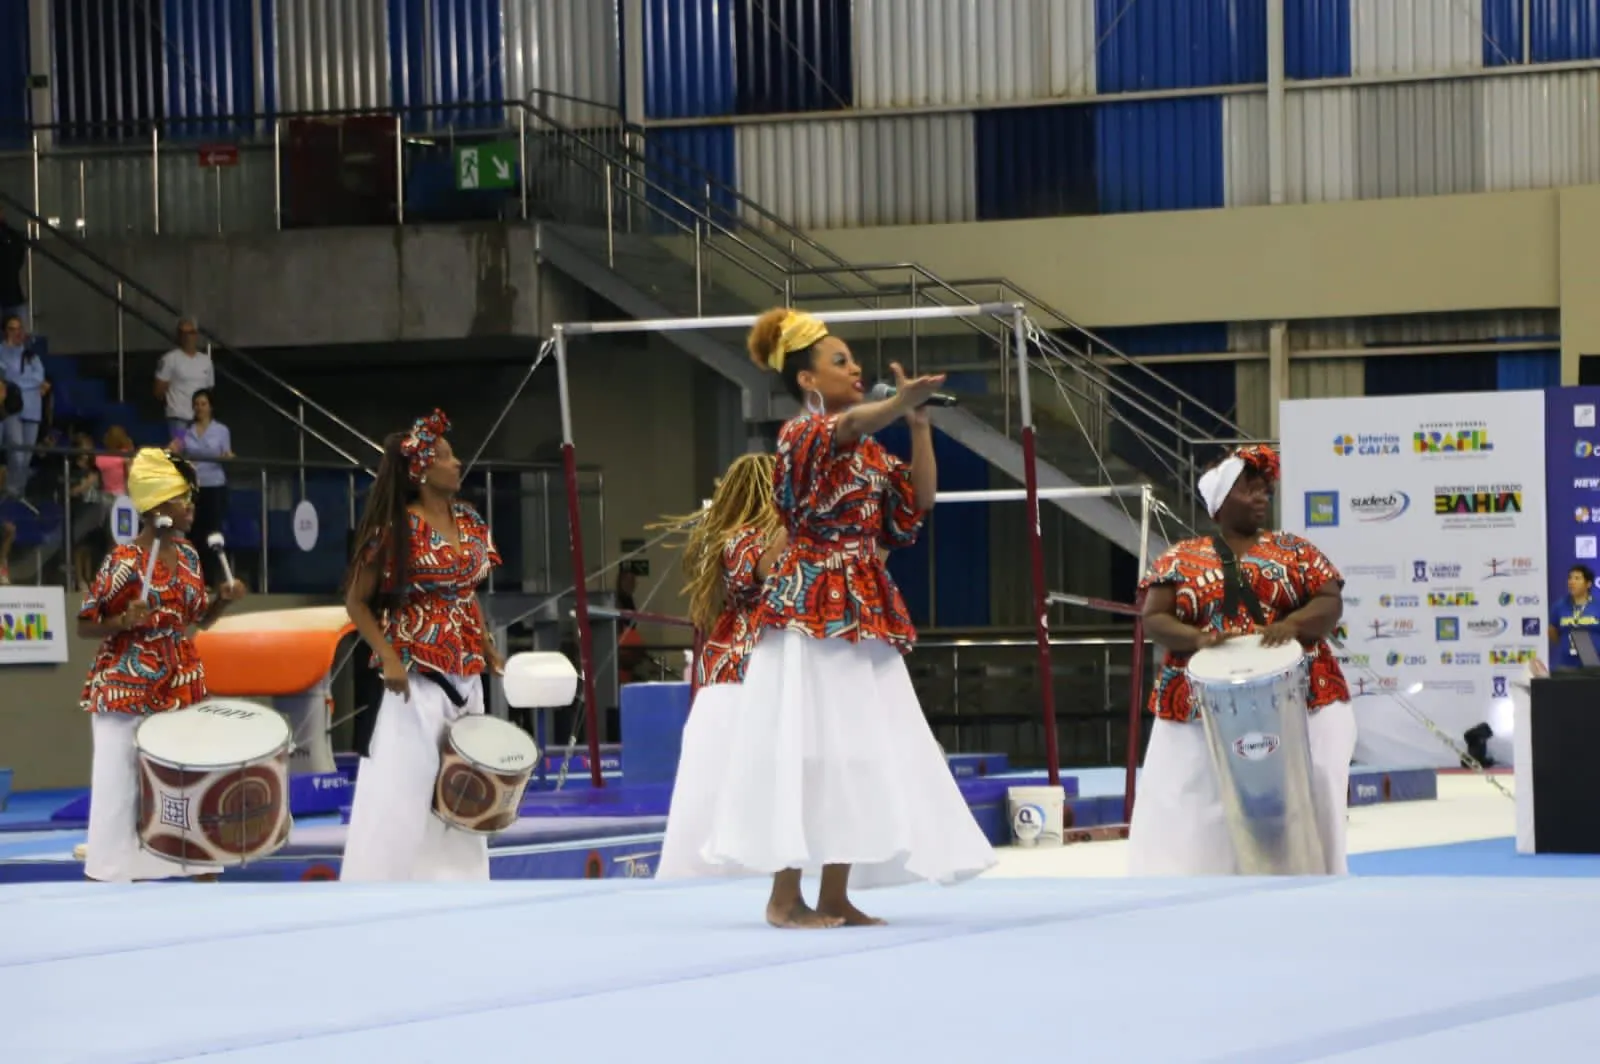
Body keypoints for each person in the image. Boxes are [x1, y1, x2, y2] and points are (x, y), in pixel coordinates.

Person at [689, 308, 995, 927]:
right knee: (804, 747)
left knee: (855, 750)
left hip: (863, 606)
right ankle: (783, 897)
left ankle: (835, 893)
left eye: (854, 361)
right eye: (840, 362)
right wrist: (889, 407)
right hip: (808, 607)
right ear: (807, 381)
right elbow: (849, 424)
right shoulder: (799, 438)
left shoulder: (873, 457)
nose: (856, 369)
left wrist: (918, 427)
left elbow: (917, 505)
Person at [1130, 443, 1355, 876]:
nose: (1260, 498)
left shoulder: (1294, 550)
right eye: (1249, 490)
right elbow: (1154, 617)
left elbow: (1329, 601)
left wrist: (1292, 625)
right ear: (1219, 502)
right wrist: (1197, 637)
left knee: (1316, 786)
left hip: (1304, 693)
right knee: (1187, 797)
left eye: (1264, 491)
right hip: (1200, 701)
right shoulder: (1181, 558)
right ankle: (1184, 879)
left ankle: (1317, 874)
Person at [655, 453, 847, 923]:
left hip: (753, 681)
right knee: (720, 793)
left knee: (740, 791)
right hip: (739, 682)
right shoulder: (739, 542)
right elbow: (769, 566)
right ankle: (703, 882)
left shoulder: (768, 542)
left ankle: (758, 879)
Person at [339, 409, 504, 882]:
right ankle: (381, 883)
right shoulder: (396, 528)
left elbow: (464, 590)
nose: (458, 463)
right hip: (415, 673)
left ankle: (459, 883)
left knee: (466, 785)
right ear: (422, 470)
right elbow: (356, 600)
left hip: (466, 668)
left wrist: (486, 642)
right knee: (406, 784)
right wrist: (388, 656)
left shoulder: (470, 521)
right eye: (447, 457)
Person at [76, 447, 248, 882]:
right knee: (119, 789)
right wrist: (122, 620)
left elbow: (194, 623)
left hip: (179, 679)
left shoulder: (190, 556)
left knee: (187, 781)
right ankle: (110, 873)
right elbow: (86, 624)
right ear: (158, 508)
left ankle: (195, 865)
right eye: (182, 499)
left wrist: (220, 605)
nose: (191, 507)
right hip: (126, 685)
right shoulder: (124, 561)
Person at [172, 388, 233, 585]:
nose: (199, 408)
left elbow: (228, 453)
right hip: (193, 486)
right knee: (193, 532)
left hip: (214, 485)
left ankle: (211, 579)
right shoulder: (185, 430)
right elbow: (172, 448)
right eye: (196, 404)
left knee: (211, 530)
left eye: (203, 404)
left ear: (210, 406)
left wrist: (227, 457)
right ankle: (193, 579)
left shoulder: (222, 430)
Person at [0, 314, 47, 499]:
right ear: (5, 331)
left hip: (33, 410)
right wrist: (31, 384)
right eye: (12, 328)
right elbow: (4, 378)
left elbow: (39, 377)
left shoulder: (31, 355)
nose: (17, 332)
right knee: (17, 455)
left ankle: (18, 494)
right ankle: (11, 493)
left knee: (26, 457)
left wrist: (19, 383)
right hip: (13, 410)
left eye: (19, 328)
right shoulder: (1, 351)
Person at [1549, 564, 1600, 671]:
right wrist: (1565, 644)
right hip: (1567, 664)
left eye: (1577, 578)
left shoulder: (1598, 606)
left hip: (1595, 665)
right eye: (1570, 578)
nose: (1572, 582)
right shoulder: (1559, 606)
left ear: (1588, 584)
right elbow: (1552, 631)